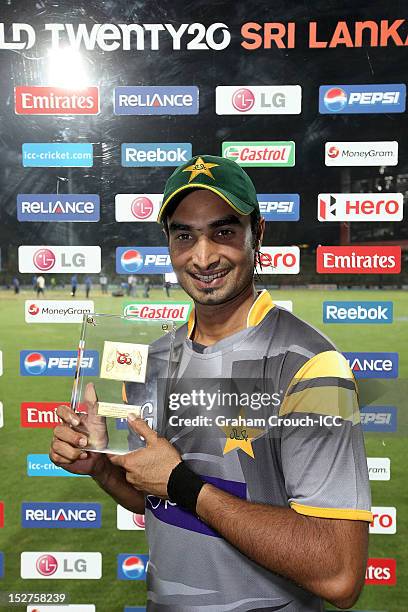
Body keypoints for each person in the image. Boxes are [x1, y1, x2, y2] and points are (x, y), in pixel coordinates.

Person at [50, 155, 372, 611]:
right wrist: (102, 466)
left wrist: (182, 483)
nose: (203, 257)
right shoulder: (154, 359)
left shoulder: (310, 365)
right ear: (168, 242)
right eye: (185, 235)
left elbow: (339, 573)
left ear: (257, 233)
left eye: (223, 232)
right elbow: (155, 500)